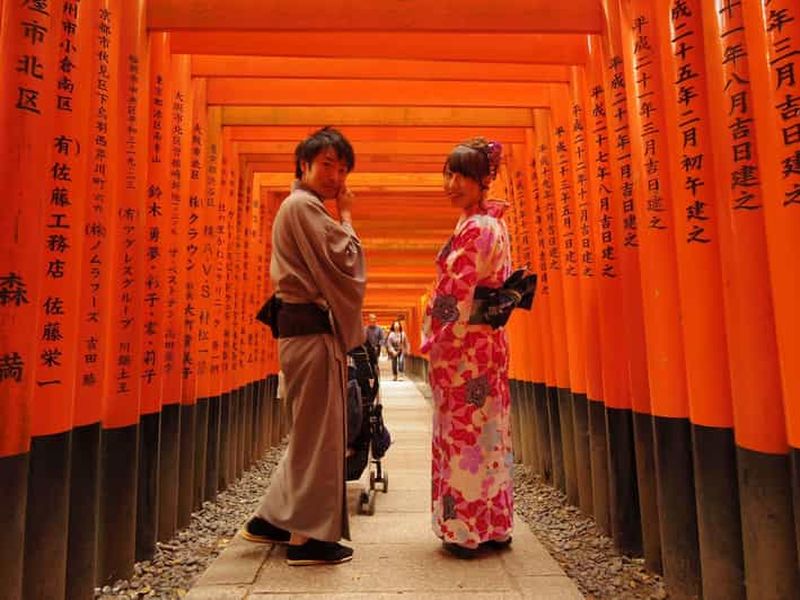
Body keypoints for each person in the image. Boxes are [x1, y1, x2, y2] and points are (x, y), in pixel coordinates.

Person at [242, 127, 365, 566]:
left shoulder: (304, 206)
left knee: (311, 432)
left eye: (342, 167)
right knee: (322, 436)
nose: (335, 175)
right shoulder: (303, 206)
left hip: (306, 334)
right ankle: (308, 540)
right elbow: (345, 259)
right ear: (304, 166)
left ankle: (272, 519)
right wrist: (347, 216)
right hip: (310, 335)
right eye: (327, 164)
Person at [420, 138, 514, 558]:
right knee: (489, 434)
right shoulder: (491, 224)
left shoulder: (476, 228)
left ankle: (464, 528)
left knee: (463, 438)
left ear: (483, 181)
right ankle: (494, 524)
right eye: (448, 173)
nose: (451, 183)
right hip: (486, 344)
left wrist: (431, 335)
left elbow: (454, 289)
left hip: (462, 350)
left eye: (461, 175)